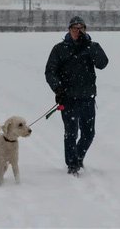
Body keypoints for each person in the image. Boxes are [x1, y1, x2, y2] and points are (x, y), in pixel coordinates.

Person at [45, 16, 108, 176]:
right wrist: (57, 88)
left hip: (87, 98)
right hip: (68, 98)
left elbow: (102, 64)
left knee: (89, 133)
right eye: (74, 28)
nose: (77, 32)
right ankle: (72, 164)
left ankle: (78, 157)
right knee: (71, 132)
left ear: (85, 30)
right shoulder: (59, 49)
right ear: (69, 30)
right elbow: (50, 72)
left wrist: (90, 47)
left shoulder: (92, 46)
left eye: (81, 29)